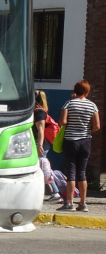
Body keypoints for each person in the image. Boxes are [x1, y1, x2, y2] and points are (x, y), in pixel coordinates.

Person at [58, 80, 100, 212]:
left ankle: (69, 203)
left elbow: (63, 122)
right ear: (87, 91)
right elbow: (97, 126)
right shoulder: (92, 105)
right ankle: (83, 203)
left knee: (71, 171)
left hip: (70, 141)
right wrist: (86, 131)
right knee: (82, 172)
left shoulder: (69, 103)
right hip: (85, 141)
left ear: (75, 90)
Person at [34, 90, 61, 201]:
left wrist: (39, 145)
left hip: (41, 143)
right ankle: (54, 192)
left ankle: (55, 192)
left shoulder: (38, 112)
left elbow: (40, 129)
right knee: (42, 167)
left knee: (43, 167)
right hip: (42, 143)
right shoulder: (41, 111)